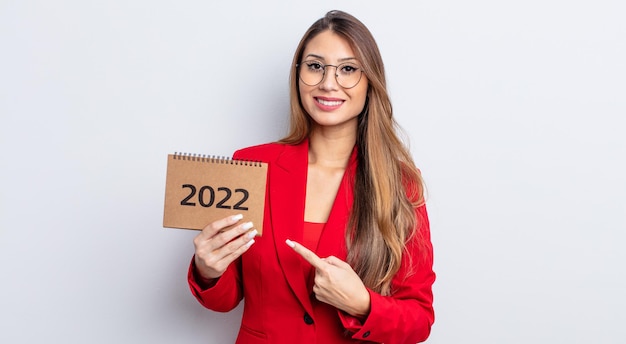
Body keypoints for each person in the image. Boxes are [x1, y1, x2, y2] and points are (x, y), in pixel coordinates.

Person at [189, 10, 435, 344]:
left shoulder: (400, 183)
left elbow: (419, 320)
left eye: (348, 69)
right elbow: (227, 298)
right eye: (315, 66)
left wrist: (362, 304)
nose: (328, 83)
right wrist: (209, 270)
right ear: (298, 75)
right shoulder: (250, 165)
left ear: (370, 82)